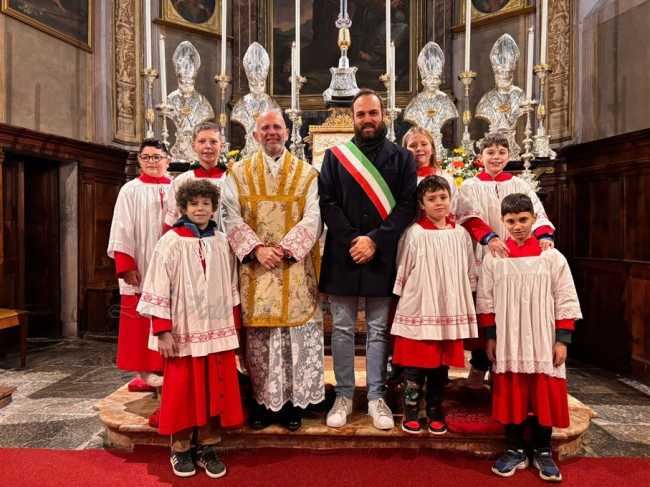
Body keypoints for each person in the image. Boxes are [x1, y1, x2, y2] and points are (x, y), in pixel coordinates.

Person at [319, 88, 416, 430]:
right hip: (343, 253)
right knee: (342, 329)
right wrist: (353, 240)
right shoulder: (335, 157)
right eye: (361, 114)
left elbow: (407, 205)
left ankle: (376, 396)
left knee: (377, 330)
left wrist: (374, 240)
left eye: (373, 113)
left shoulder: (403, 158)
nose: (367, 119)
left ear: (383, 116)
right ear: (353, 119)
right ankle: (344, 395)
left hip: (382, 254)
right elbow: (327, 203)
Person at [222, 109, 324, 432]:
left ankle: (293, 404)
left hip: (294, 269)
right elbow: (229, 215)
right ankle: (262, 404)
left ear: (287, 131)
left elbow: (314, 217)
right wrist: (256, 249)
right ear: (255, 135)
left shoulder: (307, 174)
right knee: (261, 343)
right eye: (264, 128)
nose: (271, 132)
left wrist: (286, 248)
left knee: (294, 338)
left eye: (277, 127)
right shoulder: (237, 173)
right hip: (257, 270)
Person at [137, 179, 243, 479]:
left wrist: (234, 328)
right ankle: (181, 447)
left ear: (213, 208)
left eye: (205, 204)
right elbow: (157, 284)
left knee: (214, 388)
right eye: (194, 204)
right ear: (183, 208)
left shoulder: (222, 241)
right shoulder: (170, 241)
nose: (200, 209)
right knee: (183, 391)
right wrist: (162, 330)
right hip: (182, 330)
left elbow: (231, 286)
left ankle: (207, 445)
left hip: (216, 330)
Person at [476, 193, 581, 482]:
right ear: (503, 222)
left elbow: (565, 297)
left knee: (543, 390)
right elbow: (486, 300)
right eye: (511, 221)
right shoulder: (495, 259)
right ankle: (514, 448)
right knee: (512, 390)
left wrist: (562, 339)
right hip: (508, 337)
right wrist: (491, 336)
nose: (518, 226)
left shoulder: (551, 257)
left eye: (523, 219)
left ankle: (543, 450)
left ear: (534, 219)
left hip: (543, 336)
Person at [459, 132, 556, 386]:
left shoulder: (519, 184)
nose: (496, 157)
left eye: (501, 152)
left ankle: (505, 369)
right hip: (485, 253)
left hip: (516, 256)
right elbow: (468, 217)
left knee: (511, 311)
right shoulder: (470, 186)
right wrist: (490, 238)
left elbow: (537, 214)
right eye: (490, 152)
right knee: (486, 309)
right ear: (480, 156)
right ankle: (479, 365)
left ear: (508, 155)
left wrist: (544, 236)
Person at [392, 176, 479, 435]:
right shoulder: (414, 233)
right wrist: (403, 296)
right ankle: (410, 411)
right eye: (432, 199)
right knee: (414, 364)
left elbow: (469, 268)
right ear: (422, 204)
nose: (439, 203)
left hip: (448, 307)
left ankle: (434, 410)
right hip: (420, 305)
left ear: (450, 199)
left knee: (441, 365)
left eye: (443, 197)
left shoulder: (461, 234)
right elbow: (403, 267)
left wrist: (467, 295)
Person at [107, 139, 170, 393]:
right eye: (146, 157)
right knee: (140, 318)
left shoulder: (177, 187)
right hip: (141, 262)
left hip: (170, 262)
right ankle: (144, 370)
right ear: (140, 161)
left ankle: (166, 366)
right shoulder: (130, 190)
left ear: (167, 160)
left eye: (157, 157)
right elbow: (121, 227)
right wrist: (126, 265)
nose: (151, 162)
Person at [165, 122, 227, 231]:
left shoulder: (230, 179)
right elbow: (172, 216)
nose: (208, 146)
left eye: (213, 142)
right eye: (202, 141)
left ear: (221, 146)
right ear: (194, 146)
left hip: (227, 239)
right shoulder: (182, 181)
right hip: (188, 239)